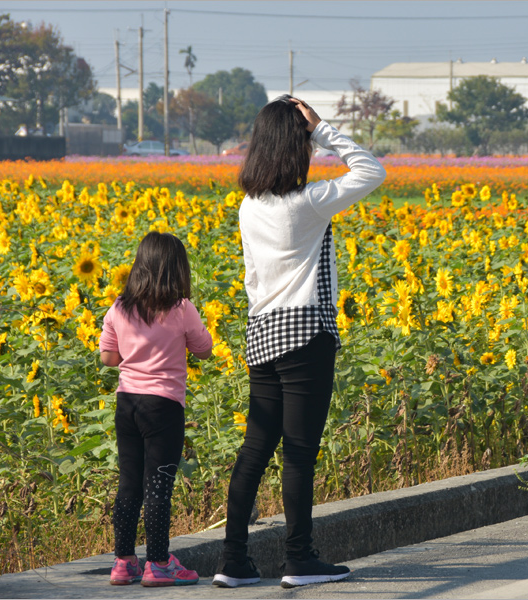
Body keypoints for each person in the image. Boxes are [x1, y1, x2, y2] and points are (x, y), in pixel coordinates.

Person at [212, 96, 386, 589]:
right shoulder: (308, 203)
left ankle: (233, 561)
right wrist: (325, 128)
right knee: (299, 453)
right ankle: (299, 559)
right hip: (306, 331)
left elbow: (251, 277)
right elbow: (371, 170)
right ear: (298, 146)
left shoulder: (249, 206)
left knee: (255, 449)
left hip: (262, 330)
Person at [100, 231, 214, 587]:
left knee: (129, 483)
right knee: (159, 485)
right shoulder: (182, 309)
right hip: (163, 407)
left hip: (127, 404)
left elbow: (107, 357)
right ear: (177, 270)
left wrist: (134, 352)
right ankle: (160, 563)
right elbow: (204, 349)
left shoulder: (120, 307)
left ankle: (123, 561)